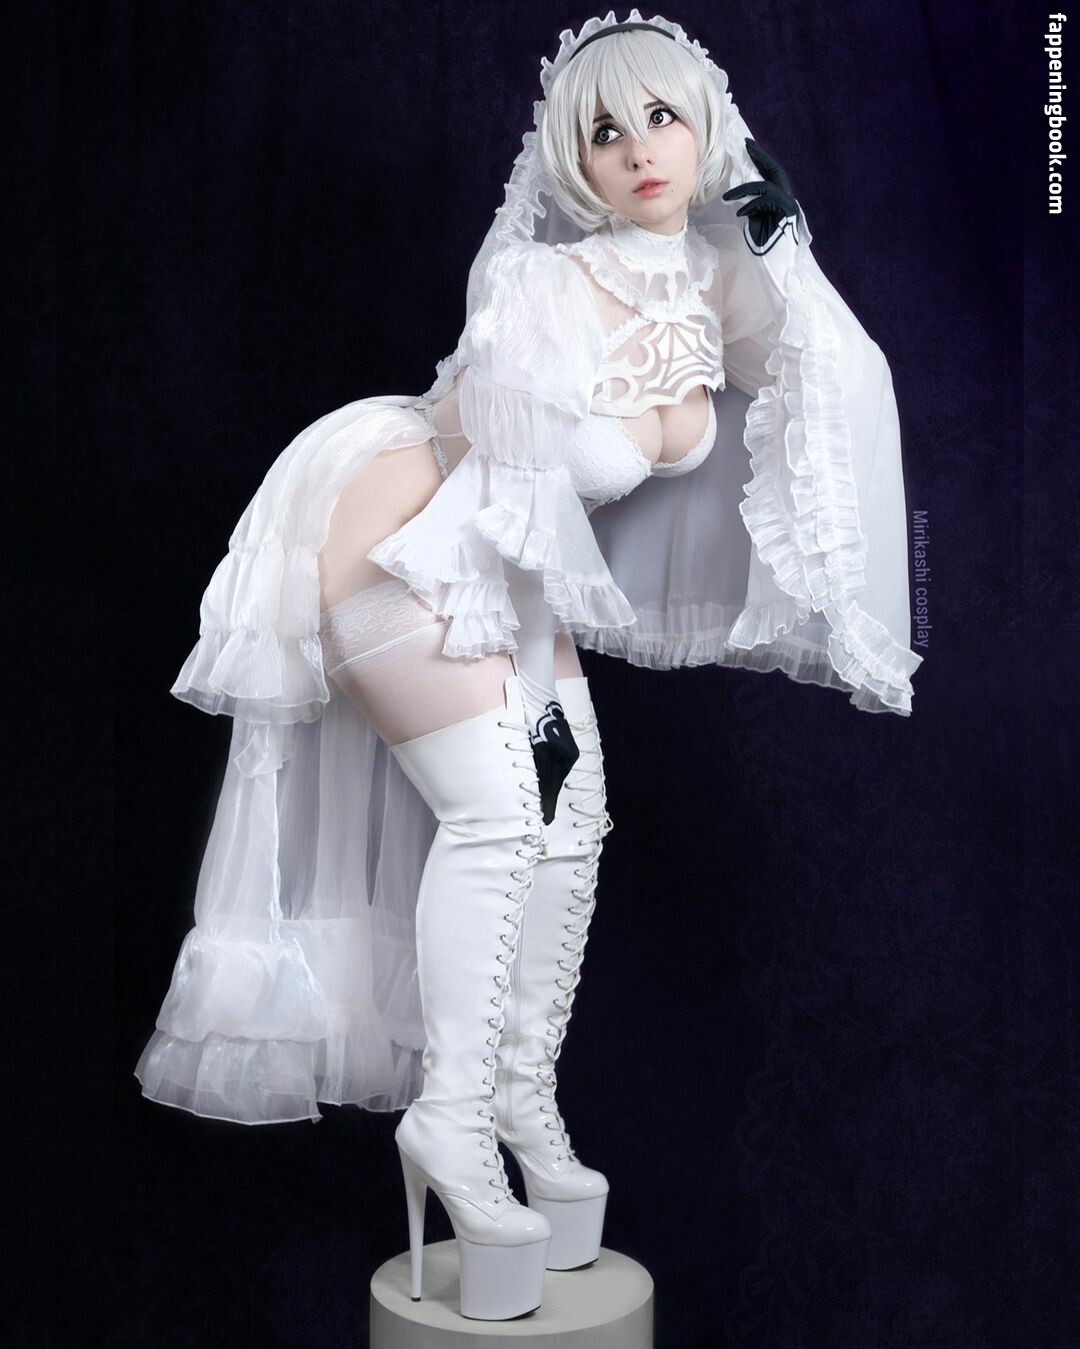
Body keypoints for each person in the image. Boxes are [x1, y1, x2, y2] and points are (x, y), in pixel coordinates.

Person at [134, 10, 923, 1321]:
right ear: (573, 162)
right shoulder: (543, 286)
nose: (639, 150)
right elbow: (504, 481)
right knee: (505, 812)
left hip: (506, 566)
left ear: (709, 131)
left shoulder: (707, 276)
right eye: (603, 132)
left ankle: (516, 1095)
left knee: (576, 815)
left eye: (662, 117)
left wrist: (784, 246)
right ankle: (447, 1121)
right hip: (397, 541)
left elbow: (836, 375)